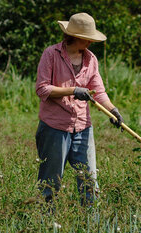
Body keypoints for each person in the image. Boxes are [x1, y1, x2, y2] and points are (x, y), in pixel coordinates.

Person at [34, 12, 123, 207]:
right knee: (51, 182)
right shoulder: (51, 54)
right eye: (87, 38)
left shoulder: (91, 59)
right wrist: (73, 91)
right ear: (75, 36)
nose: (90, 42)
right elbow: (42, 89)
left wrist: (112, 110)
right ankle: (46, 222)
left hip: (83, 127)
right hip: (54, 127)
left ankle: (90, 222)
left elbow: (98, 91)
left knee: (89, 180)